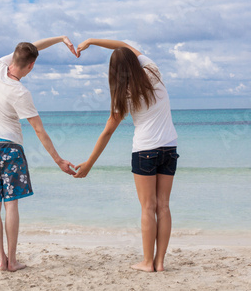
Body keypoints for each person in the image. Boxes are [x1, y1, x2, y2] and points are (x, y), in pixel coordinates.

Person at [73, 38, 179, 272]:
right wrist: (92, 41)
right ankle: (160, 263)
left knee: (147, 207)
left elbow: (107, 132)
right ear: (134, 60)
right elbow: (122, 44)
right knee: (163, 206)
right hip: (170, 147)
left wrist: (89, 164)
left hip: (144, 151)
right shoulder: (153, 70)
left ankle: (147, 262)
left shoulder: (124, 94)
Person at [0, 36, 77, 272]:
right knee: (11, 204)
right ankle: (12, 260)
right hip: (10, 150)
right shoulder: (21, 93)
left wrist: (60, 39)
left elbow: (30, 48)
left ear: (14, 57)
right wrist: (59, 160)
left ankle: (1, 260)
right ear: (31, 66)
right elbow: (40, 130)